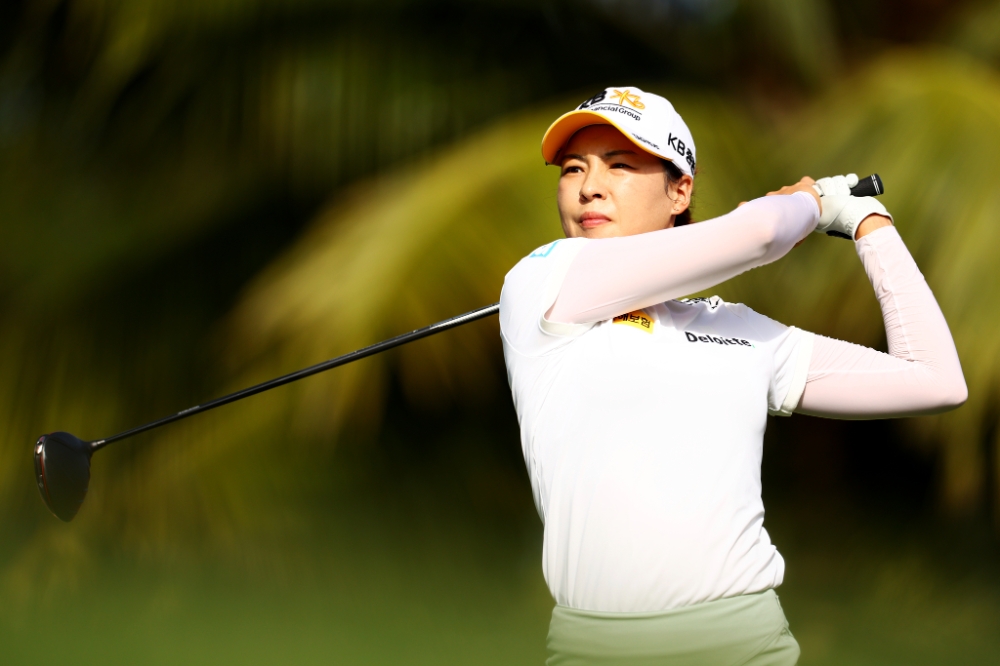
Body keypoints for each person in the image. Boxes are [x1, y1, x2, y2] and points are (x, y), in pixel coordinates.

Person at [499, 86, 967, 665]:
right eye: (573, 168)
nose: (589, 186)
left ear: (680, 191)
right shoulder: (542, 281)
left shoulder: (738, 330)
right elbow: (762, 234)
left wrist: (868, 223)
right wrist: (812, 201)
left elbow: (934, 379)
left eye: (619, 165)